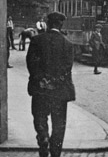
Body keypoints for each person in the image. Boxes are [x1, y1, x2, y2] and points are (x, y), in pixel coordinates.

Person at [26, 11, 75, 157]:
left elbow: (31, 62)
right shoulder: (68, 44)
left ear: (47, 23)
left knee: (39, 117)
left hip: (40, 89)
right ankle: (55, 153)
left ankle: (43, 138)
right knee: (59, 124)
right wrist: (54, 81)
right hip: (59, 91)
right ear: (60, 25)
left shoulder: (36, 40)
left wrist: (42, 79)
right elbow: (67, 68)